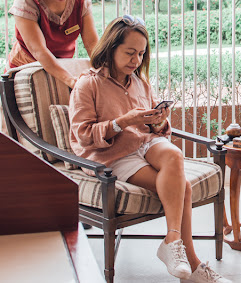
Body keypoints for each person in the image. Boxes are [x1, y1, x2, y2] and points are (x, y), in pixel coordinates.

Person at [68, 15, 232, 283]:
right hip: (113, 154)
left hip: (143, 143)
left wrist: (159, 121)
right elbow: (83, 135)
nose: (136, 60)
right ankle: (193, 265)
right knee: (183, 187)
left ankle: (172, 240)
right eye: (129, 52)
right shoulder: (88, 84)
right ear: (111, 48)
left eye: (141, 54)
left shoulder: (139, 82)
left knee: (173, 154)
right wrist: (123, 122)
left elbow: (157, 130)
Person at [8, 0, 99, 88]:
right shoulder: (26, 3)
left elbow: (92, 44)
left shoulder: (81, 0)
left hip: (63, 67)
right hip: (27, 69)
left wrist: (104, 70)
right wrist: (70, 80)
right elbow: (39, 50)